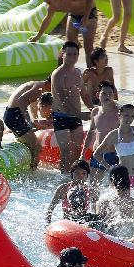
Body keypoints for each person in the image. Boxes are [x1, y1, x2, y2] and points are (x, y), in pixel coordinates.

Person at [95, 107, 134, 228]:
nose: (129, 119)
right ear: (119, 115)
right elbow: (97, 154)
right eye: (126, 116)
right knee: (121, 207)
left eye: (132, 116)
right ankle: (119, 232)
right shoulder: (114, 135)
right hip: (124, 177)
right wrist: (111, 169)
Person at [31, 0, 98, 67]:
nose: (46, 0)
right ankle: (62, 72)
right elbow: (47, 20)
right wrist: (37, 37)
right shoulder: (52, 7)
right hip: (73, 16)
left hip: (89, 14)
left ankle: (90, 73)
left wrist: (86, 17)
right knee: (67, 46)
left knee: (88, 47)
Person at [51, 41, 88, 174]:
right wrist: (81, 115)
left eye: (75, 54)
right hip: (61, 117)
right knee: (66, 153)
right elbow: (63, 100)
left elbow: (84, 94)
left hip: (75, 117)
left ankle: (75, 177)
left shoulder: (78, 73)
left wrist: (93, 109)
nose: (72, 57)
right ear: (63, 54)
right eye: (69, 54)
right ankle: (64, 178)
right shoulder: (58, 74)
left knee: (77, 151)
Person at [3, 79, 51, 169]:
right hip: (15, 115)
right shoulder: (38, 88)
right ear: (49, 84)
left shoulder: (36, 85)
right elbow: (21, 101)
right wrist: (28, 122)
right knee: (36, 146)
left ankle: (30, 167)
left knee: (30, 143)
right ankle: (33, 171)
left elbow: (29, 106)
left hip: (11, 114)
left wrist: (34, 122)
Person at [81, 81, 119, 180]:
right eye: (104, 93)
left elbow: (126, 132)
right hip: (97, 154)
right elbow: (90, 133)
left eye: (110, 94)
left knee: (114, 188)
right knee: (93, 187)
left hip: (113, 154)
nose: (107, 96)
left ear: (113, 95)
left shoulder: (119, 112)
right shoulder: (95, 111)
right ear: (98, 95)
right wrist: (83, 154)